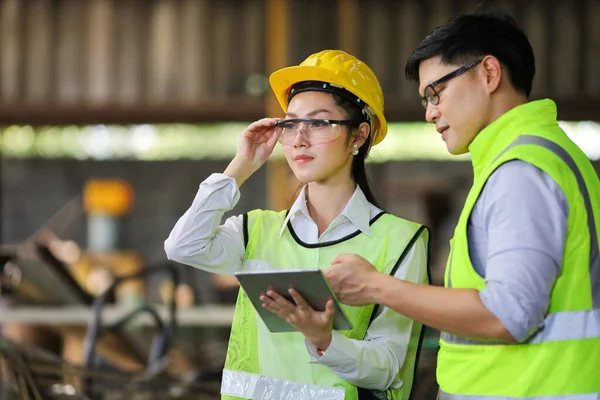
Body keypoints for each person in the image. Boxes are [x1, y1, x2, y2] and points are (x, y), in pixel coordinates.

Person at [324, 12, 600, 399]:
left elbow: (508, 314)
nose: (429, 112)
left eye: (435, 93)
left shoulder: (521, 172)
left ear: (489, 73)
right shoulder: (530, 160)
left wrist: (376, 286)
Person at [164, 49, 430, 400]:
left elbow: (388, 367)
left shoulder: (400, 241)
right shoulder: (256, 231)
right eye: (290, 124)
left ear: (358, 136)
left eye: (319, 123)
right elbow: (182, 245)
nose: (300, 139)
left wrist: (325, 341)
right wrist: (242, 165)